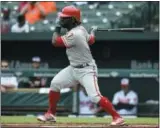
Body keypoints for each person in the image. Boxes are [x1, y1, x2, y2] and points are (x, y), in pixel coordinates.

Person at [37, 6, 125, 126]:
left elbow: (55, 41)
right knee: (55, 84)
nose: (61, 20)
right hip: (73, 68)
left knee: (94, 97)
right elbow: (91, 40)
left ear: (73, 19)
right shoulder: (81, 29)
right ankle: (51, 114)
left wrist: (57, 27)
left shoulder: (75, 33)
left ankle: (117, 117)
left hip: (87, 69)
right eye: (62, 18)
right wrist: (92, 31)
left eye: (65, 18)